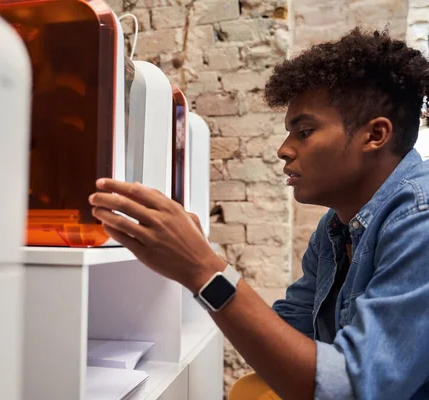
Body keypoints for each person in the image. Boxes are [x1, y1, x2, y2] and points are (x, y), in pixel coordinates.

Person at [88, 28, 429, 399]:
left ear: (375, 135)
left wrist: (203, 269)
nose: (284, 150)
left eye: (305, 131)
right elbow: (285, 333)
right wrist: (195, 262)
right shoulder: (335, 227)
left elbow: (353, 388)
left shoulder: (419, 219)